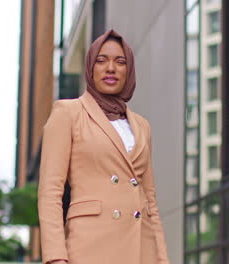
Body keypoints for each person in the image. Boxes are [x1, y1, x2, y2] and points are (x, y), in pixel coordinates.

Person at [38, 29, 170, 264]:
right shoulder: (68, 113)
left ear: (129, 71)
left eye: (120, 62)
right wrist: (56, 257)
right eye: (102, 60)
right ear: (90, 67)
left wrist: (161, 257)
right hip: (90, 246)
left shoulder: (141, 125)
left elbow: (150, 201)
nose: (111, 68)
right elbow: (50, 192)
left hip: (141, 249)